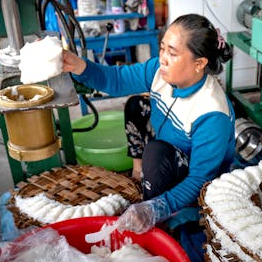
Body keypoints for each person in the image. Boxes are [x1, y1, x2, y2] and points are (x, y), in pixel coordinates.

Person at [63, 14, 236, 235]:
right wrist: (79, 66)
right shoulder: (159, 71)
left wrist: (155, 208)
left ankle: (157, 208)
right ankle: (139, 174)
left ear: (199, 64)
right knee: (137, 105)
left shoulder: (212, 113)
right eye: (162, 48)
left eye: (172, 54)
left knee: (156, 152)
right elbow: (117, 79)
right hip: (168, 152)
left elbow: (200, 178)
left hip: (196, 180)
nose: (162, 58)